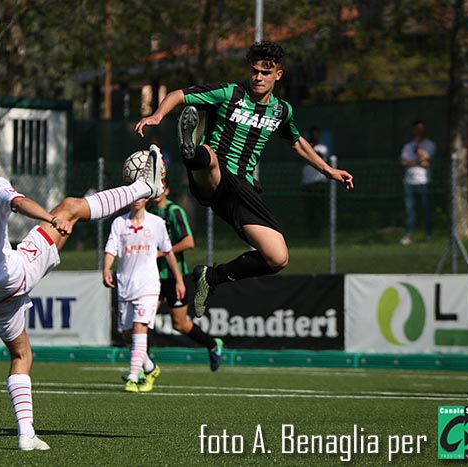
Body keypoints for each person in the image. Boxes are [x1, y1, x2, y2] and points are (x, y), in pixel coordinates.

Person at [0, 125, 164, 451]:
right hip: (13, 275)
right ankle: (144, 187)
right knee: (69, 207)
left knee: (21, 354)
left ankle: (26, 434)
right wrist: (51, 220)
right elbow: (20, 203)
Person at [135, 41, 354, 317]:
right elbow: (179, 94)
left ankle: (211, 277)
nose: (258, 77)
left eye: (265, 72)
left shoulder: (281, 111)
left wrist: (328, 171)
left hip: (242, 190)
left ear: (278, 75)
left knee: (278, 257)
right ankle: (190, 151)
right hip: (212, 177)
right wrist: (157, 115)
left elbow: (296, 142)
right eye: (254, 71)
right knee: (210, 158)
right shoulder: (230, 93)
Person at [103, 197, 185, 393]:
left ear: (146, 199)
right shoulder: (119, 223)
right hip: (125, 286)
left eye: (140, 196)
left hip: (148, 286)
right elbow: (110, 250)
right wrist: (106, 269)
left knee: (140, 327)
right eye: (133, 196)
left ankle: (133, 377)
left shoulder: (156, 223)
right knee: (127, 335)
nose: (136, 200)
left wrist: (179, 280)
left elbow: (168, 252)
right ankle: (149, 368)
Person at [148, 180, 224, 370]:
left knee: (179, 324)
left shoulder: (174, 212)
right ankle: (143, 367)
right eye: (154, 188)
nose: (157, 192)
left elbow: (189, 242)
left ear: (167, 190)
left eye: (160, 188)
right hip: (152, 277)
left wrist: (163, 252)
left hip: (174, 277)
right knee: (144, 321)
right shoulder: (147, 212)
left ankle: (212, 344)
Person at [400, 119, 435, 245]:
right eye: (416, 129)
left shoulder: (429, 145)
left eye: (421, 129)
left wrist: (418, 151)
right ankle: (409, 235)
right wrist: (417, 162)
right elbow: (404, 162)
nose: (418, 131)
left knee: (426, 209)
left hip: (423, 181)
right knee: (410, 210)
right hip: (409, 182)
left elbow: (426, 161)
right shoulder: (408, 146)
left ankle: (429, 235)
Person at [300, 127, 329, 239]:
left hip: (319, 183)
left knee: (319, 209)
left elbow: (318, 156)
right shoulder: (305, 149)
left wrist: (309, 149)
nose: (314, 136)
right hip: (307, 183)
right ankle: (311, 233)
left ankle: (319, 232)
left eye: (316, 134)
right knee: (309, 210)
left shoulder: (322, 148)